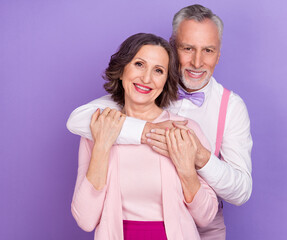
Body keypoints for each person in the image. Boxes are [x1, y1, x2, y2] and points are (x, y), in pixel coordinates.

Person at [67, 4, 252, 240]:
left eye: (208, 50)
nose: (197, 62)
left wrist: (195, 159)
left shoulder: (225, 110)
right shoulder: (102, 122)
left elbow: (237, 194)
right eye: (187, 48)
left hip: (202, 230)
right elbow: (77, 120)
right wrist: (117, 140)